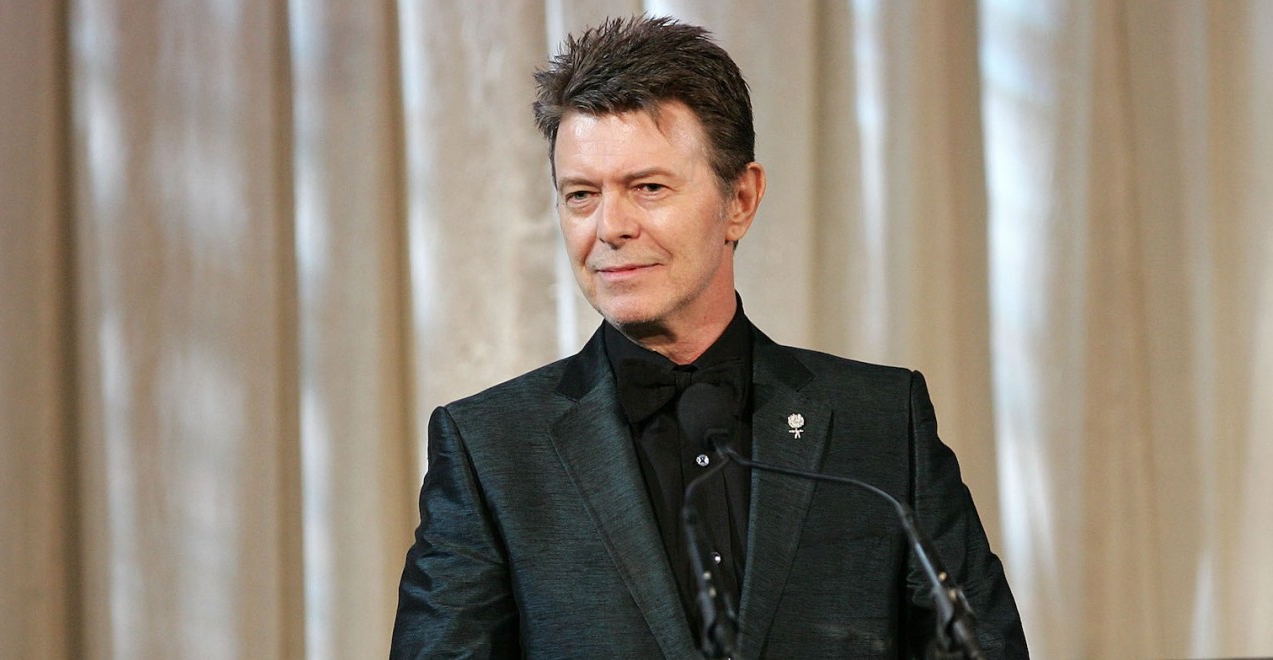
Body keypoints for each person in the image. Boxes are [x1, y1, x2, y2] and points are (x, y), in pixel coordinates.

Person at [392, 15, 1027, 659]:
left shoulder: (882, 424)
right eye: (581, 195)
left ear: (740, 200)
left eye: (648, 188)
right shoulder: (489, 449)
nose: (609, 227)